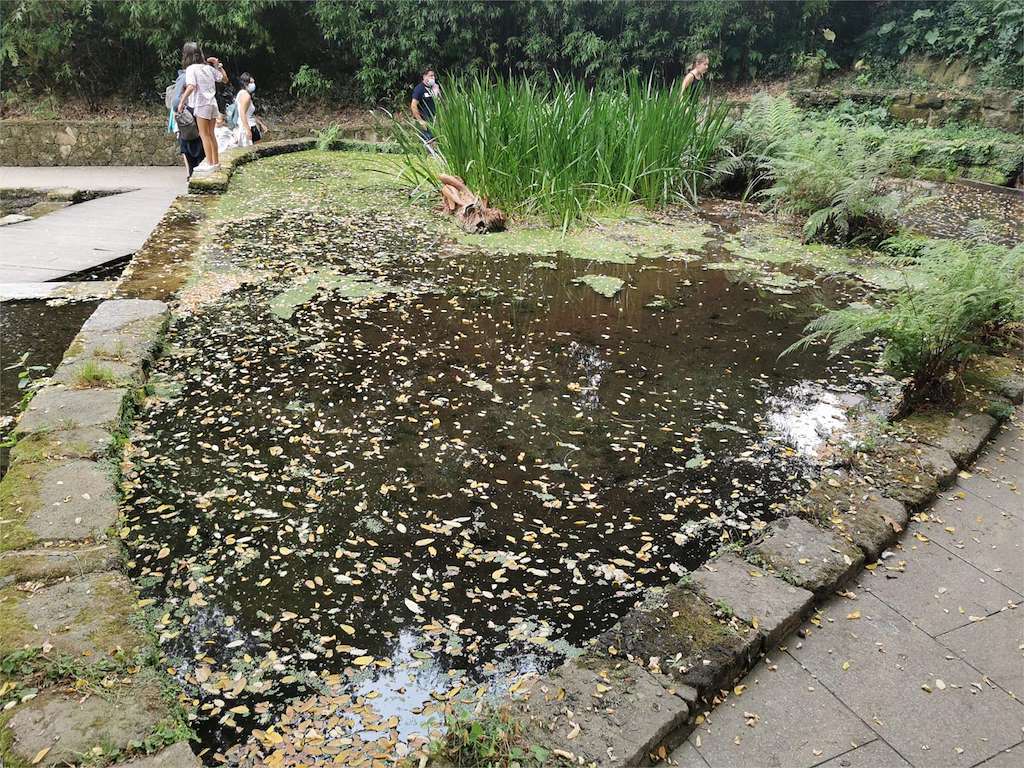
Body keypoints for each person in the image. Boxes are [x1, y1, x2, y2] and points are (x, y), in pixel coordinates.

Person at [176, 42, 228, 174]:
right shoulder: (208, 68)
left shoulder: (191, 69)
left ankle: (210, 164)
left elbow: (191, 86)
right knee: (211, 134)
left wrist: (182, 101)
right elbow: (225, 79)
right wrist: (217, 65)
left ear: (187, 55)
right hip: (212, 104)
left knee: (204, 135)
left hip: (201, 104)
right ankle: (215, 162)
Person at [167, 51, 205, 178]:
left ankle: (193, 176)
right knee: (199, 149)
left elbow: (175, 102)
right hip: (198, 116)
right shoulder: (200, 73)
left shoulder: (185, 76)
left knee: (191, 149)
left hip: (189, 120)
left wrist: (180, 106)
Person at [233, 72, 268, 146]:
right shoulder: (246, 96)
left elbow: (249, 114)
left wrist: (261, 124)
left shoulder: (241, 93)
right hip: (248, 126)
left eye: (253, 82)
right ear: (246, 83)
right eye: (251, 82)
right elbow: (242, 113)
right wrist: (247, 129)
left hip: (247, 125)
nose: (253, 85)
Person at [410, 68, 439, 153]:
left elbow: (439, 102)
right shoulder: (419, 89)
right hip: (424, 121)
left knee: (435, 143)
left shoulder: (433, 88)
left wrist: (437, 91)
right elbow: (413, 105)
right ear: (424, 76)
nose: (433, 78)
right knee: (429, 143)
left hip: (434, 120)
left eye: (433, 76)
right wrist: (420, 121)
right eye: (430, 76)